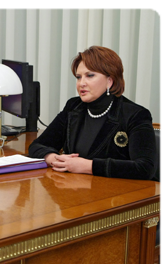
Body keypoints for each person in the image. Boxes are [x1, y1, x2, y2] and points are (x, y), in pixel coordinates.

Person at [28, 46, 156, 180]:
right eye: (78, 77)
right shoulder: (74, 107)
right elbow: (37, 146)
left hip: (117, 195)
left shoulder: (135, 114)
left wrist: (88, 166)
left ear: (109, 81)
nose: (81, 83)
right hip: (73, 190)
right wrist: (53, 158)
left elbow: (145, 168)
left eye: (90, 75)